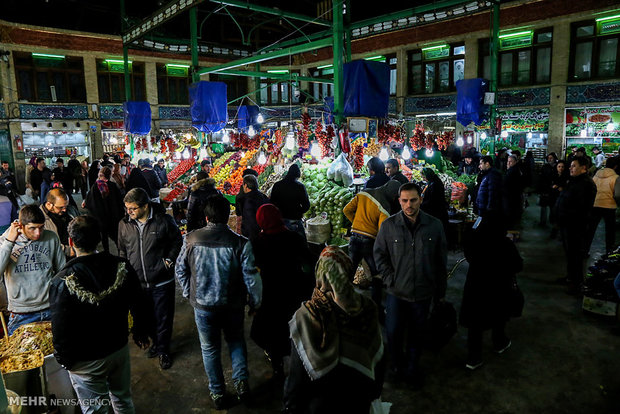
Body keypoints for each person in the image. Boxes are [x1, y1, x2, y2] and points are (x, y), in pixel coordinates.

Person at [49, 216, 150, 414]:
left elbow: (61, 326)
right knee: (122, 399)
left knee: (96, 410)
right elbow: (138, 301)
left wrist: (64, 360)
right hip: (118, 348)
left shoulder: (63, 281)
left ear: (71, 241)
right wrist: (140, 332)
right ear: (99, 238)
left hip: (85, 361)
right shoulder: (121, 266)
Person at [175, 194, 262, 410]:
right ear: (228, 216)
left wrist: (189, 293)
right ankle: (241, 384)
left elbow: (180, 269)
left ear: (206, 218)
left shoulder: (190, 240)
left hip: (203, 307)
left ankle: (217, 393)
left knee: (209, 349)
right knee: (236, 342)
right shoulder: (241, 243)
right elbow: (251, 277)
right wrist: (255, 302)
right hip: (232, 305)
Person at [283, 246, 384, 414]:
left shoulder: (308, 316)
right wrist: (374, 391)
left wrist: (290, 407)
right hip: (358, 401)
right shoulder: (368, 308)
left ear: (319, 273)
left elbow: (297, 375)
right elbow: (379, 357)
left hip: (320, 405)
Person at [374, 182, 447, 388]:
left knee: (417, 335)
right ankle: (397, 367)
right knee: (393, 333)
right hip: (397, 293)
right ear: (399, 201)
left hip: (423, 294)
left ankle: (412, 369)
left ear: (420, 200)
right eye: (404, 201)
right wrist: (390, 280)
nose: (409, 205)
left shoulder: (434, 226)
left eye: (413, 200)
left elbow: (441, 261)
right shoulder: (389, 226)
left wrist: (439, 292)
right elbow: (379, 256)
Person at [118, 188, 183, 369]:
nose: (129, 212)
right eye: (127, 208)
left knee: (163, 318)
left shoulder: (163, 220)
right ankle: (156, 343)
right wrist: (125, 271)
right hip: (137, 283)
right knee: (146, 318)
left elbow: (177, 241)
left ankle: (163, 350)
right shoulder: (124, 224)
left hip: (161, 280)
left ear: (145, 206)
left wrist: (168, 260)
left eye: (133, 208)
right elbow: (122, 249)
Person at [250, 204, 313, 378]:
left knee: (273, 330)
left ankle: (277, 365)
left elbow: (253, 270)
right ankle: (300, 366)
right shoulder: (294, 237)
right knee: (295, 327)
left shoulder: (257, 242)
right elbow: (308, 262)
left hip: (270, 292)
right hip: (294, 289)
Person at [459, 221, 522, 370]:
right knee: (499, 316)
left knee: (475, 325)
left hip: (475, 290)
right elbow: (518, 266)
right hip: (498, 290)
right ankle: (499, 343)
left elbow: (468, 255)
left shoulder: (474, 241)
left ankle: (474, 359)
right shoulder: (505, 244)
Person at [0, 205, 65, 334]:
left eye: (41, 227)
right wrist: (9, 241)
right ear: (20, 225)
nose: (38, 233)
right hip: (21, 313)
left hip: (50, 308)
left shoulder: (51, 237)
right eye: (32, 228)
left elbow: (61, 271)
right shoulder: (4, 241)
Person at [343, 180, 401, 308]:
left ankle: (342, 301)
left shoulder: (364, 192)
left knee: (349, 272)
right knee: (376, 274)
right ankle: (376, 305)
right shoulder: (385, 206)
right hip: (369, 243)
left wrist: (357, 224)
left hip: (354, 238)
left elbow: (346, 210)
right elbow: (382, 232)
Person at [555, 157, 597, 294]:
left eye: (574, 166)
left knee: (576, 255)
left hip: (576, 226)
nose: (570, 168)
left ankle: (577, 283)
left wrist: (567, 215)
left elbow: (581, 208)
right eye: (570, 166)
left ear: (583, 168)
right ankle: (570, 277)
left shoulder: (586, 184)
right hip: (567, 224)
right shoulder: (574, 181)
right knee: (570, 254)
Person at [85, 166, 125, 253]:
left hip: (100, 218)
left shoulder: (95, 187)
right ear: (110, 175)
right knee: (116, 237)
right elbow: (119, 202)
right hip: (113, 218)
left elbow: (89, 203)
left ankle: (106, 253)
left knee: (104, 237)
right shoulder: (113, 186)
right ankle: (121, 255)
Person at [586, 156, 620, 254]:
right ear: (616, 166)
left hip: (595, 205)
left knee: (591, 229)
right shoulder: (616, 177)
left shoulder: (596, 175)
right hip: (609, 207)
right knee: (610, 231)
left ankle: (584, 250)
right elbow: (617, 194)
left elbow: (591, 190)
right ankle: (609, 252)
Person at [269, 164, 311, 240]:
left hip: (280, 222)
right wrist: (299, 212)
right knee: (300, 245)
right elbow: (306, 205)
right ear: (298, 175)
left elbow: (271, 203)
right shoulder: (300, 186)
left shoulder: (277, 185)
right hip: (295, 221)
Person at [40, 188, 79, 259]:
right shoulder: (39, 218)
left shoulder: (71, 210)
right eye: (61, 207)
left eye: (66, 206)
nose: (65, 210)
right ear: (49, 204)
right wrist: (66, 250)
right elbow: (44, 243)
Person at [476, 155, 504, 228]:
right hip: (483, 208)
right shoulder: (487, 174)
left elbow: (493, 193)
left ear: (487, 164)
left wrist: (490, 208)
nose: (479, 166)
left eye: (481, 164)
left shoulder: (493, 175)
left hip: (487, 211)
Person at [240, 174, 269, 242]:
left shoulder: (248, 200)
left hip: (254, 238)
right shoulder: (263, 196)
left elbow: (250, 223)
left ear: (246, 185)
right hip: (265, 233)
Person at [549, 160, 570, 239]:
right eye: (559, 167)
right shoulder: (553, 175)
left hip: (563, 199)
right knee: (554, 215)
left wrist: (562, 188)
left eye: (562, 167)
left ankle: (558, 232)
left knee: (560, 216)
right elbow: (549, 184)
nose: (560, 168)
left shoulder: (567, 176)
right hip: (553, 197)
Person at [503, 155, 525, 230]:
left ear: (515, 162)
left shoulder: (513, 171)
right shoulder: (514, 170)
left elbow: (506, 184)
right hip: (513, 197)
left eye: (510, 162)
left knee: (510, 217)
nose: (508, 163)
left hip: (511, 198)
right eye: (507, 161)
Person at [234, 169, 259, 234]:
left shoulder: (240, 197)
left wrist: (239, 232)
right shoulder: (262, 196)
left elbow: (239, 217)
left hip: (247, 231)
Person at [538, 153, 558, 226]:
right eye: (548, 158)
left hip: (554, 190)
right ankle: (542, 222)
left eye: (551, 158)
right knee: (543, 207)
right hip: (545, 189)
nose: (549, 159)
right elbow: (541, 178)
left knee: (552, 207)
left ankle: (552, 220)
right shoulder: (545, 166)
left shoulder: (558, 166)